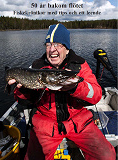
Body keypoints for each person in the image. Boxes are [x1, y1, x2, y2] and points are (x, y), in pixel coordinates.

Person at [8, 23, 116, 160]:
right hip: (45, 124)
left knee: (107, 155)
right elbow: (20, 99)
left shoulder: (80, 65)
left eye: (57, 44)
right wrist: (24, 90)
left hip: (79, 122)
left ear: (66, 48)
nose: (52, 50)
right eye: (48, 45)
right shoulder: (36, 66)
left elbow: (96, 95)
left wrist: (76, 88)